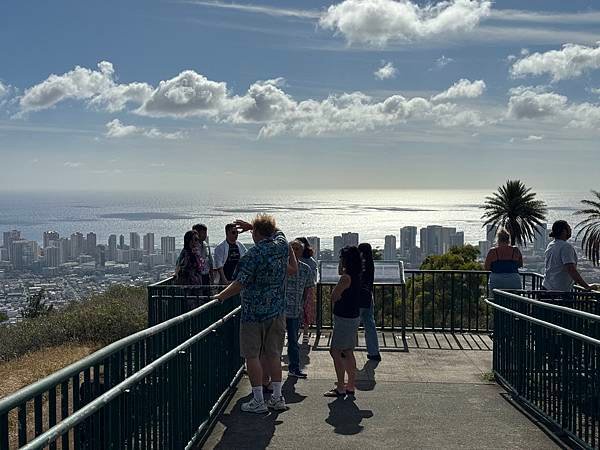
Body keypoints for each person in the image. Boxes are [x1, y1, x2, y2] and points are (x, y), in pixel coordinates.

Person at [215, 214, 292, 413]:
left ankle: (258, 400)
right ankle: (277, 397)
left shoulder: (252, 255)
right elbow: (280, 232)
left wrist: (220, 297)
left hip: (252, 314)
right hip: (276, 311)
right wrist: (253, 226)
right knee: (274, 354)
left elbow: (239, 283)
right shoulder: (281, 246)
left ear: (256, 233)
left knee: (252, 356)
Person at [324, 246, 362, 398]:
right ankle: (350, 385)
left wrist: (341, 263)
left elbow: (334, 296)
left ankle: (340, 387)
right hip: (353, 317)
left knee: (335, 351)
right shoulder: (357, 275)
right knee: (348, 351)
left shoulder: (346, 278)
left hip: (343, 318)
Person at [285, 240, 316, 379]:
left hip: (295, 310)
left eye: (298, 248)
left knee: (293, 341)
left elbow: (308, 290)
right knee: (274, 342)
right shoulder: (282, 266)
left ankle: (294, 367)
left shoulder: (305, 269)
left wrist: (304, 306)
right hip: (278, 310)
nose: (295, 251)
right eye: (293, 248)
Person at [542, 220, 593, 291]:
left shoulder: (551, 245)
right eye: (569, 228)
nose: (571, 230)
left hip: (547, 286)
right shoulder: (566, 247)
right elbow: (570, 269)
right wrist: (586, 286)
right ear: (564, 231)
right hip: (559, 290)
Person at [357, 243, 381, 362]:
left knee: (352, 324)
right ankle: (374, 352)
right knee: (370, 325)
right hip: (368, 297)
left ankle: (346, 350)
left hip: (358, 298)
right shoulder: (370, 264)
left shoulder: (359, 265)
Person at [296, 237, 318, 340]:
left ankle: (294, 332)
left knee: (295, 310)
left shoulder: (295, 259)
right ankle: (305, 333)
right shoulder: (311, 261)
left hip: (296, 288)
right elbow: (314, 277)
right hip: (309, 288)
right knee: (307, 310)